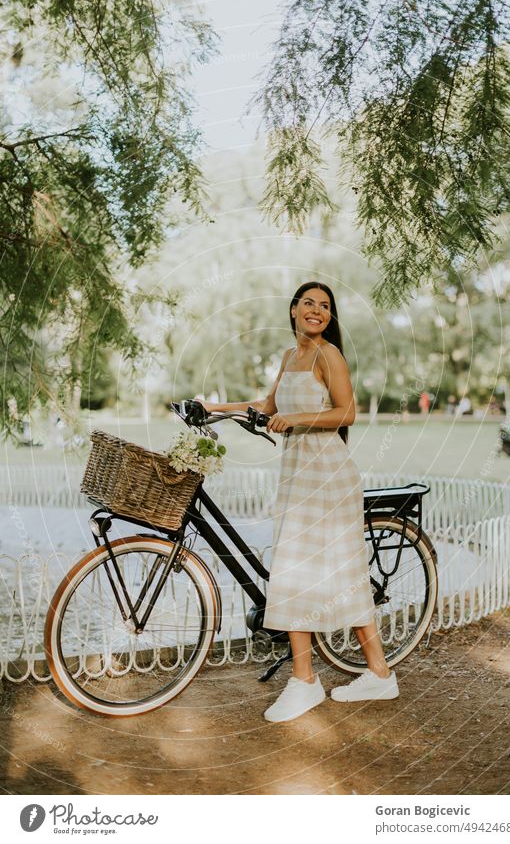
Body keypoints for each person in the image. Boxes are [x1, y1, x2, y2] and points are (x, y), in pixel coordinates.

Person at [198, 282, 399, 722]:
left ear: (329, 317)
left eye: (325, 306)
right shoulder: (291, 358)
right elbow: (266, 404)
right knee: (307, 571)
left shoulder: (329, 355)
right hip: (297, 474)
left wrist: (298, 419)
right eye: (308, 302)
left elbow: (347, 413)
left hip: (326, 474)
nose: (317, 310)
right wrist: (215, 408)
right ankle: (377, 674)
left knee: (309, 570)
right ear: (293, 310)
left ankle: (308, 681)